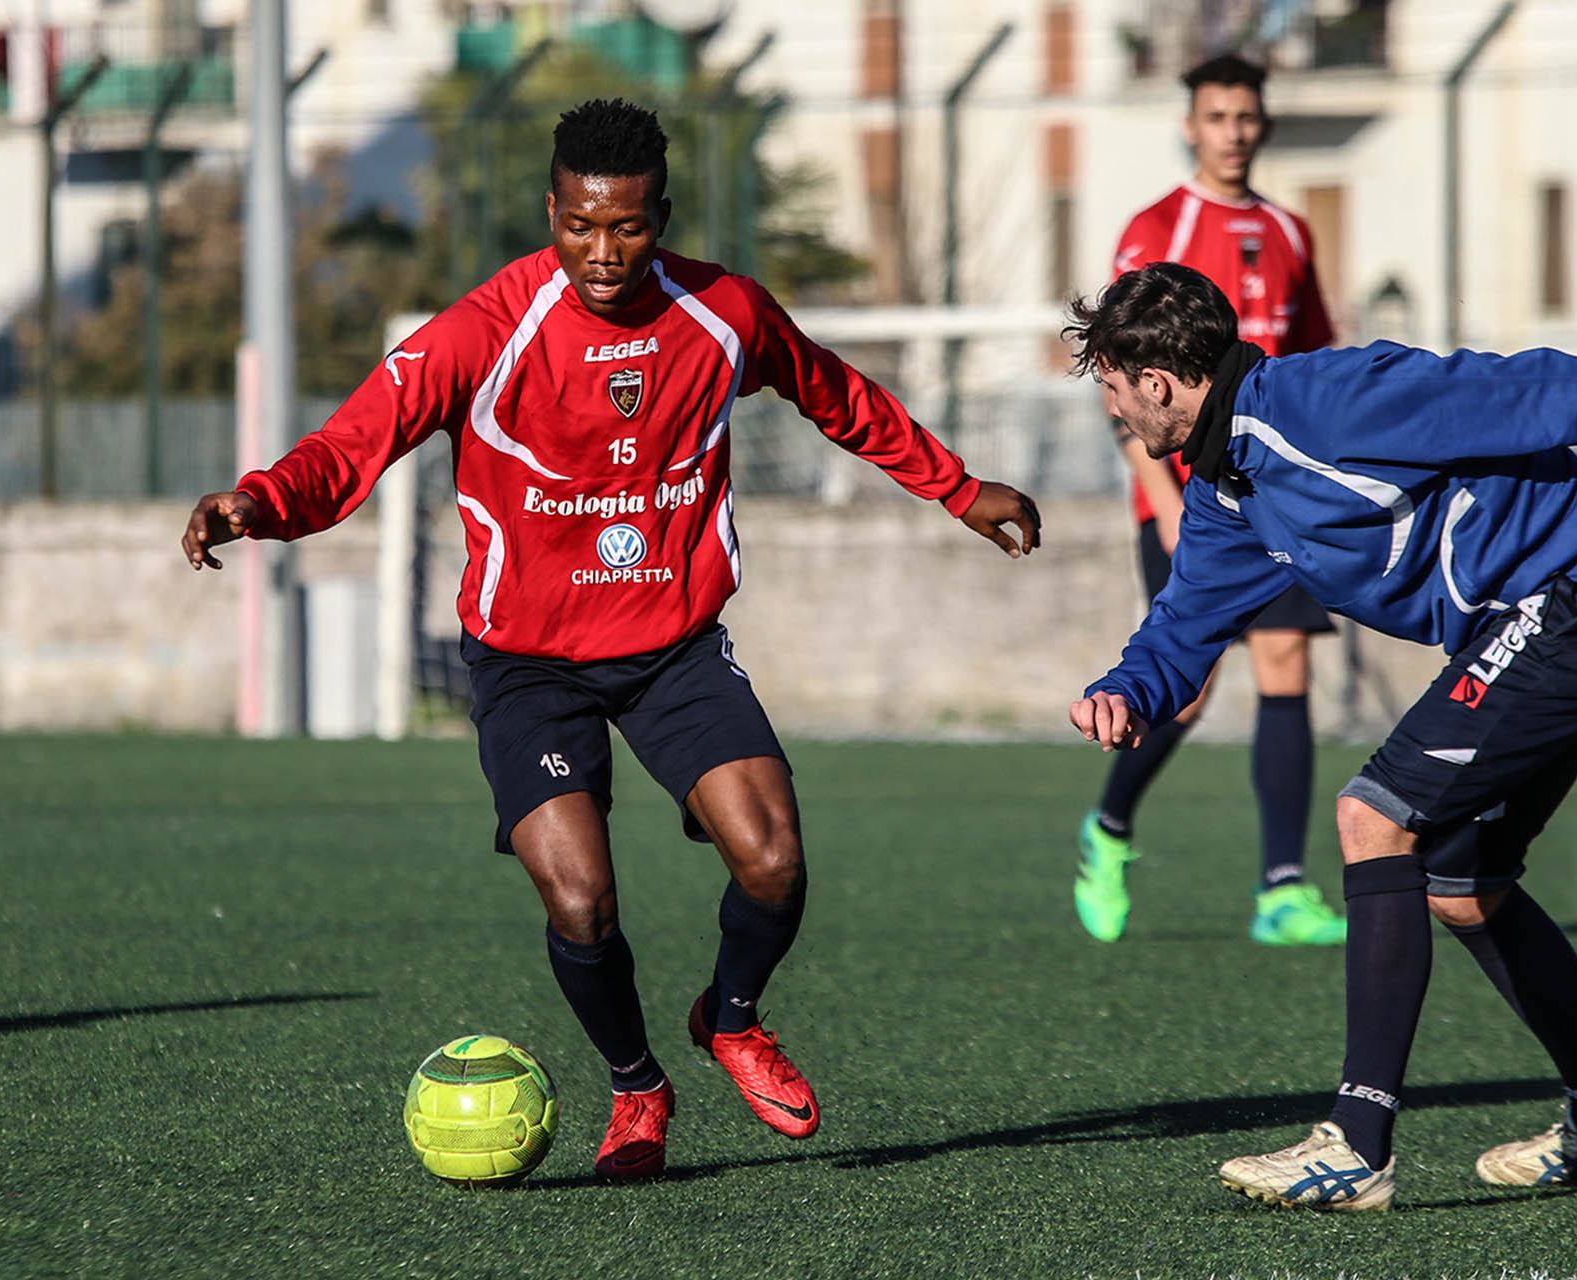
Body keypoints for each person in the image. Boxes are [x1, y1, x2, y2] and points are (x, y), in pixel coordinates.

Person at [182, 99, 1041, 1180]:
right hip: (529, 661)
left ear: (659, 218)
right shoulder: (481, 332)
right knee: (582, 896)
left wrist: (957, 488)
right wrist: (258, 502)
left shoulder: (724, 312)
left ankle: (731, 1017)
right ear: (552, 210)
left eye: (626, 227)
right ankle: (638, 1085)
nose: (602, 251)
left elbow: (837, 395)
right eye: (581, 225)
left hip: (673, 647)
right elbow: (354, 442)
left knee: (774, 860)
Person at [1065, 262, 1577, 1210]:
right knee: (1464, 886)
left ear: (1158, 382)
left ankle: (1356, 1144)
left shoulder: (1330, 400)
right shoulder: (1227, 484)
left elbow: (1561, 387)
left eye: (1114, 389)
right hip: (1535, 621)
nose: (1114, 411)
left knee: (1373, 818)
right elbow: (1187, 618)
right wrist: (1127, 691)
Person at [1076, 53, 1343, 948]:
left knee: (1287, 663)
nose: (1234, 132)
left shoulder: (1290, 232)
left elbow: (1310, 366)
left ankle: (1282, 891)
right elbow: (1117, 375)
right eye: (1218, 117)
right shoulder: (1159, 227)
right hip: (1190, 495)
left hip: (1278, 492)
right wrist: (1158, 495)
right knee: (1185, 692)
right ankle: (1109, 826)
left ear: (1263, 124)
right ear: (1191, 126)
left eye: (1246, 116)